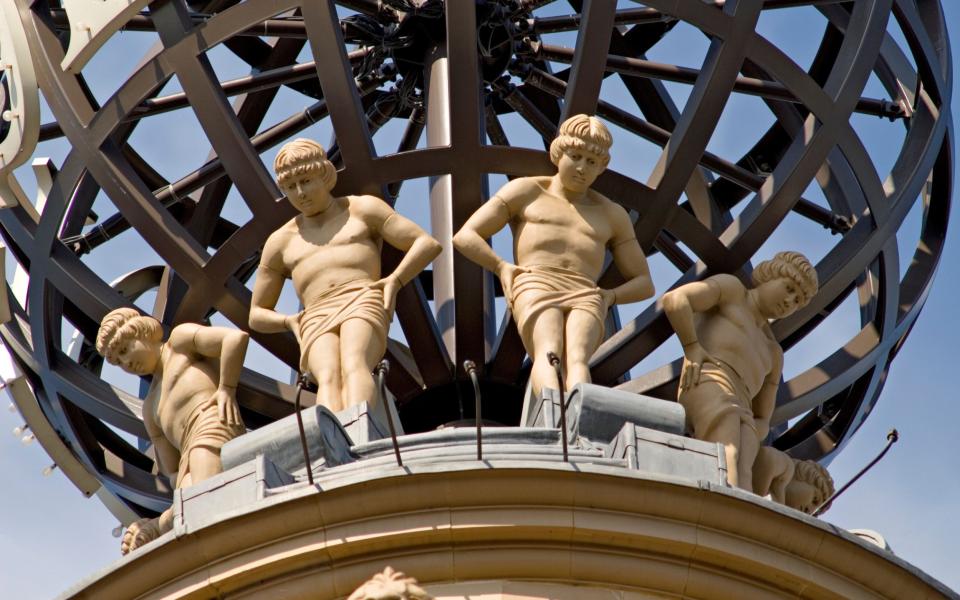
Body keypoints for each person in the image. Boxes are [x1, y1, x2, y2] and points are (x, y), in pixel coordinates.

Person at [452, 115, 654, 397]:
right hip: (536, 282)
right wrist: (502, 267)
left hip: (585, 292)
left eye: (591, 162)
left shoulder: (612, 214)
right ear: (558, 153)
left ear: (601, 169)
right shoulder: (527, 191)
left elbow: (644, 282)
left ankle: (578, 423)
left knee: (578, 357)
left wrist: (610, 296)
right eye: (576, 156)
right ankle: (553, 413)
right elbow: (465, 236)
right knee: (548, 351)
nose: (582, 168)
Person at [250, 138, 441, 411]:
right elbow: (256, 314)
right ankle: (337, 441)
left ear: (325, 175)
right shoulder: (280, 242)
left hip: (361, 298)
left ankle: (358, 431)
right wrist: (290, 321)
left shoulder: (363, 209)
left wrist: (393, 281)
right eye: (291, 187)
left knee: (355, 363)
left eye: (306, 180)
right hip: (314, 315)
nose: (301, 192)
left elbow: (425, 243)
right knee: (327, 376)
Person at [95, 308, 249, 554]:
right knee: (191, 507)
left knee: (202, 498)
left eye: (124, 350)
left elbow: (234, 339)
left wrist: (226, 389)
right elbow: (173, 470)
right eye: (119, 362)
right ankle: (157, 526)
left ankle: (156, 528)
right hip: (190, 453)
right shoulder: (150, 407)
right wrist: (180, 486)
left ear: (143, 332)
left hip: (211, 426)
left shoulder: (179, 342)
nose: (126, 363)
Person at [661, 251, 818, 491]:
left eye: (797, 301)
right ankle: (723, 513)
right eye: (788, 288)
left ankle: (736, 518)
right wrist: (692, 347)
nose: (789, 301)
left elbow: (764, 416)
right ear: (769, 275)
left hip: (742, 406)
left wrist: (757, 430)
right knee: (727, 452)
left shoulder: (773, 353)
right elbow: (676, 300)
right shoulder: (733, 292)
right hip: (709, 379)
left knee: (744, 467)